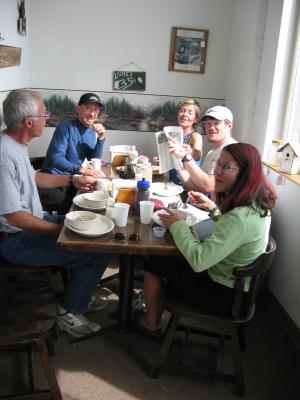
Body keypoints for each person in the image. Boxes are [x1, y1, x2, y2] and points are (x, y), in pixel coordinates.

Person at [0, 89, 110, 339]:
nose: (47, 117)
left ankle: (80, 295)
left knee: (103, 240)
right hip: (14, 239)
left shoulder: (15, 143)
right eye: (43, 113)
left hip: (32, 224)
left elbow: (35, 177)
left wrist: (73, 180)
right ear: (28, 122)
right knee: (88, 251)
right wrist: (63, 232)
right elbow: (14, 217)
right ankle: (68, 313)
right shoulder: (4, 155)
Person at [135, 143, 277, 335]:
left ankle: (151, 322)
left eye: (226, 167)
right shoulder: (257, 204)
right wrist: (213, 209)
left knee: (156, 262)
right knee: (167, 260)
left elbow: (199, 261)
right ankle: (154, 309)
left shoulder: (240, 217)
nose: (217, 171)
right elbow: (234, 233)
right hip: (236, 288)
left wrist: (177, 225)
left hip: (223, 296)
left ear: (245, 173)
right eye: (218, 164)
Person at [40, 92, 106, 214]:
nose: (92, 114)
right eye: (88, 108)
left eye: (95, 109)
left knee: (94, 200)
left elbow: (93, 159)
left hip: (71, 180)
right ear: (78, 109)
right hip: (51, 182)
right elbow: (56, 158)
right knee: (78, 210)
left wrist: (101, 139)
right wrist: (81, 170)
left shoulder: (92, 131)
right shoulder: (65, 127)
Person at [169, 105, 237, 194]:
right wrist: (176, 158)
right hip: (211, 206)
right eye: (208, 123)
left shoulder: (233, 150)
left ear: (229, 126)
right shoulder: (210, 154)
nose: (211, 127)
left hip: (224, 208)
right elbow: (193, 186)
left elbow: (208, 187)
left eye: (217, 123)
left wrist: (185, 156)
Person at [168, 99, 203, 186]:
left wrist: (191, 152)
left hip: (187, 186)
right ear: (178, 115)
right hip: (172, 183)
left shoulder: (195, 136)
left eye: (190, 113)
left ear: (196, 119)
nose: (185, 114)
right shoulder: (173, 135)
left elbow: (198, 154)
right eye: (182, 111)